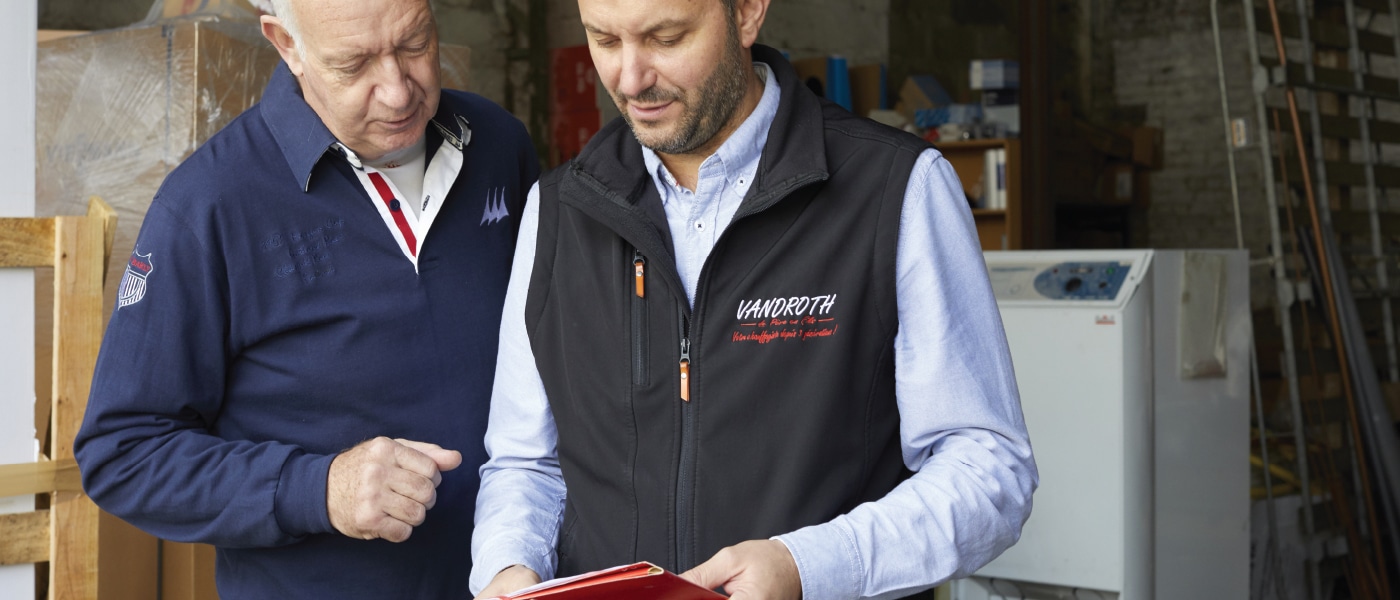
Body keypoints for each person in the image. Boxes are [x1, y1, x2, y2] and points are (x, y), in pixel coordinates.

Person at [469, 0, 1036, 598]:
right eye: (604, 40)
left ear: (746, 13)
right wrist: (509, 570)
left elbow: (988, 470)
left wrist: (809, 566)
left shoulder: (897, 190)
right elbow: (525, 464)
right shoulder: (555, 212)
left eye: (665, 38)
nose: (630, 78)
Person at [72, 0, 538, 596]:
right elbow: (122, 454)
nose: (397, 91)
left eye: (415, 44)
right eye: (354, 65)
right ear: (285, 44)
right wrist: (319, 490)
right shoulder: (207, 206)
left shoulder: (500, 146)